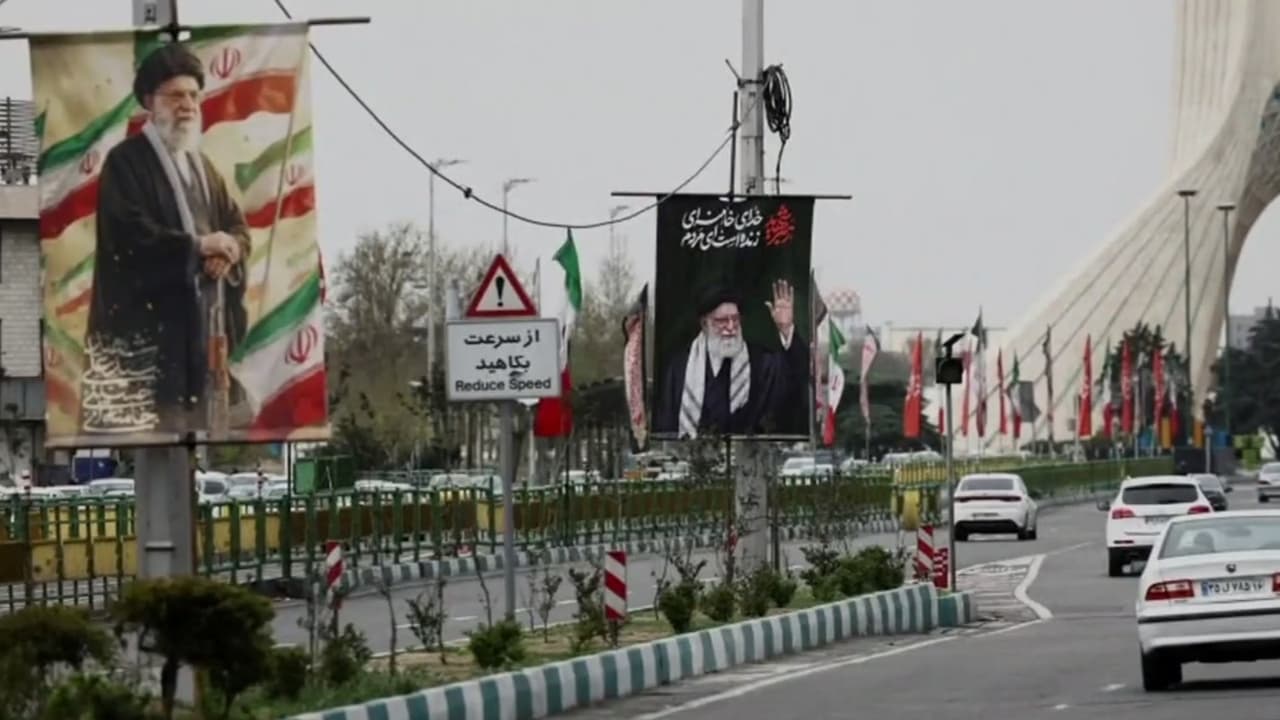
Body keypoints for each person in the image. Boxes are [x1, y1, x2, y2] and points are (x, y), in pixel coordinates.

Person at [81, 41, 251, 436]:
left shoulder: (203, 168)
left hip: (202, 340)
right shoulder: (125, 163)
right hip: (148, 349)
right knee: (156, 441)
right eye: (175, 96)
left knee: (201, 436)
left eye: (193, 95)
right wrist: (199, 247)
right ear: (149, 102)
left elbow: (237, 228)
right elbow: (130, 239)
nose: (187, 105)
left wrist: (227, 251)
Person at [654, 279, 810, 438]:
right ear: (704, 324)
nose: (731, 327)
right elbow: (666, 426)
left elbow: (797, 375)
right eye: (722, 321)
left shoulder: (762, 363)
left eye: (735, 319)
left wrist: (786, 329)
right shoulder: (680, 368)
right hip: (694, 453)